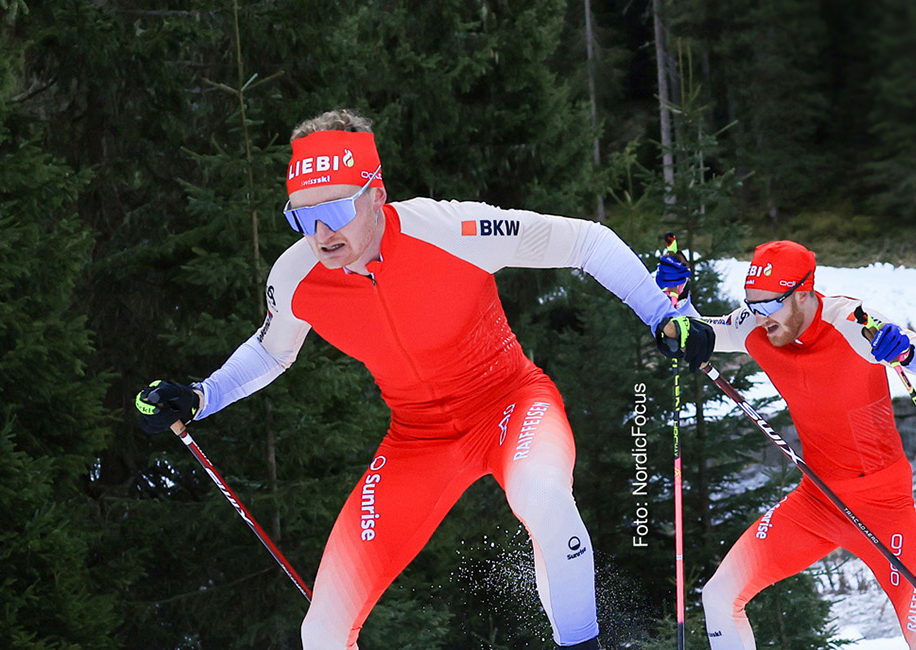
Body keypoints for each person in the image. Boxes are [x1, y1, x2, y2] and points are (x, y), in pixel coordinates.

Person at [134, 109, 715, 650]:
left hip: (511, 404)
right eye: (302, 215)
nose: (320, 231)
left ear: (377, 194)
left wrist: (667, 316)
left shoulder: (450, 229)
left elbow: (586, 241)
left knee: (543, 496)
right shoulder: (297, 276)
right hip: (417, 441)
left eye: (336, 209)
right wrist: (201, 395)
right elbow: (270, 353)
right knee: (323, 629)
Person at [659, 241, 916, 650]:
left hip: (884, 503)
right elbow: (695, 333)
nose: (759, 317)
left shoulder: (852, 321)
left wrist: (907, 352)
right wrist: (677, 298)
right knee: (718, 596)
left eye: (769, 305)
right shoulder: (758, 322)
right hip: (817, 501)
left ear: (803, 293)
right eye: (751, 304)